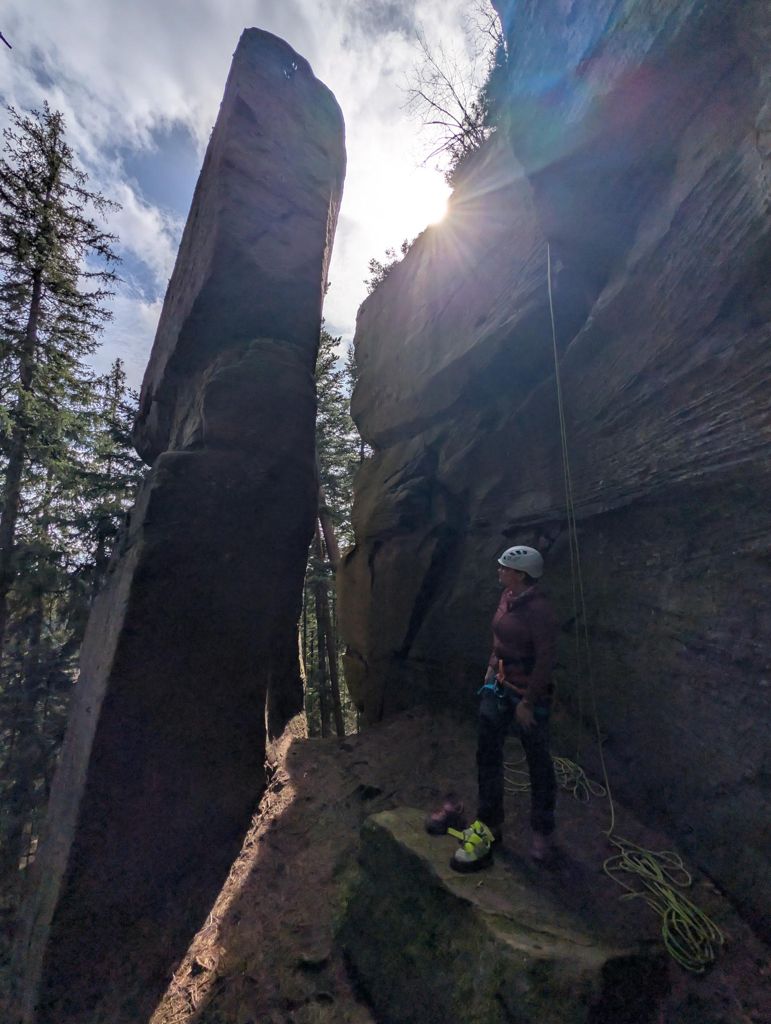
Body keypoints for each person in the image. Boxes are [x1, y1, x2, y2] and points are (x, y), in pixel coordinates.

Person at [426, 545, 558, 872]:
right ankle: (489, 823)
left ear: (521, 574)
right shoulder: (506, 597)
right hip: (499, 688)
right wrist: (490, 667)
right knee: (487, 754)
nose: (499, 570)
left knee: (538, 763)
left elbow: (545, 661)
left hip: (527, 696)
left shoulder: (540, 611)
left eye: (505, 567)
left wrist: (528, 702)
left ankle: (542, 831)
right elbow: (499, 639)